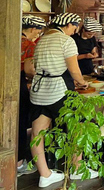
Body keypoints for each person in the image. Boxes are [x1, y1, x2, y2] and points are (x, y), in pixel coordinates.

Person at [30, 13, 96, 188]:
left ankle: (45, 175)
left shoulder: (42, 39)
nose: (75, 30)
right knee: (77, 127)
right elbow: (74, 70)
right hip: (58, 90)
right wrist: (82, 82)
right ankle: (77, 167)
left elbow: (36, 66)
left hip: (39, 90)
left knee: (38, 133)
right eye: (75, 26)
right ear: (68, 24)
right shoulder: (66, 41)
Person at [17, 15, 46, 177]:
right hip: (18, 84)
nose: (38, 35)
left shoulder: (9, 38)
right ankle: (19, 163)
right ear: (34, 29)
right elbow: (29, 70)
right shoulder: (28, 44)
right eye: (39, 31)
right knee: (20, 122)